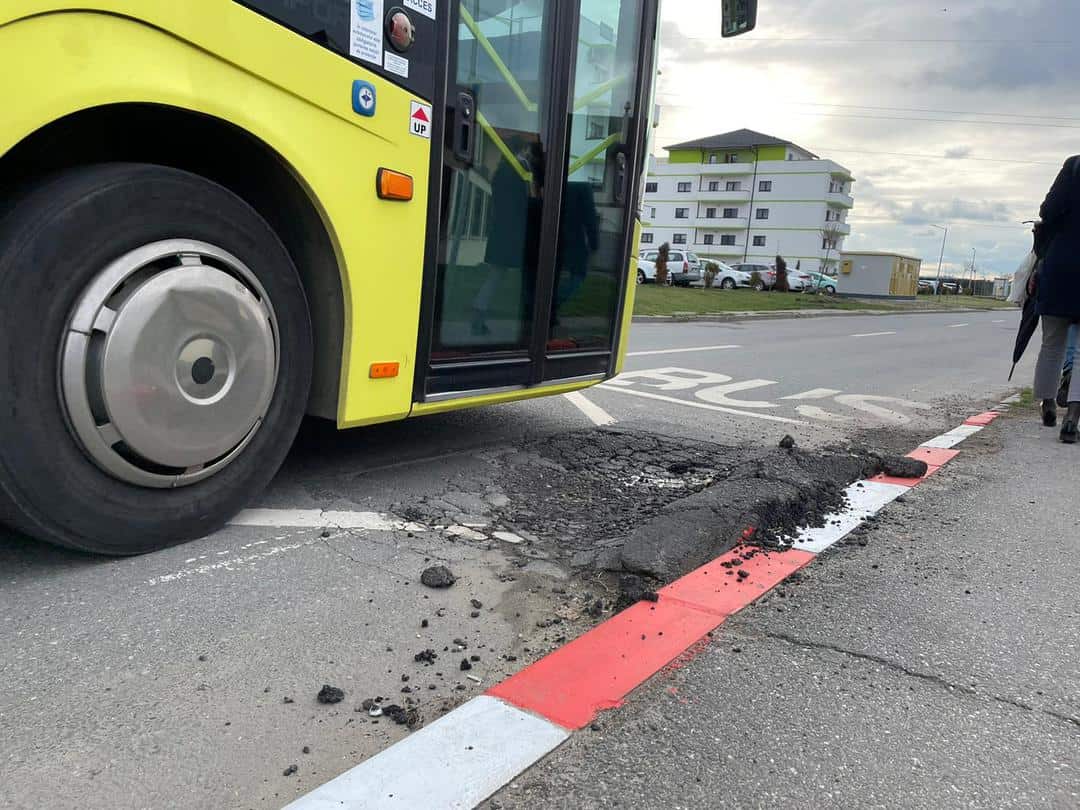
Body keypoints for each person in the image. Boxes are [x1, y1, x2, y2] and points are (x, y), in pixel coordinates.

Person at [1033, 154, 1080, 442]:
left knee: (1051, 344)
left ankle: (1048, 404)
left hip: (1061, 264)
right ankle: (1073, 418)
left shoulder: (1074, 165)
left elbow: (1047, 210)